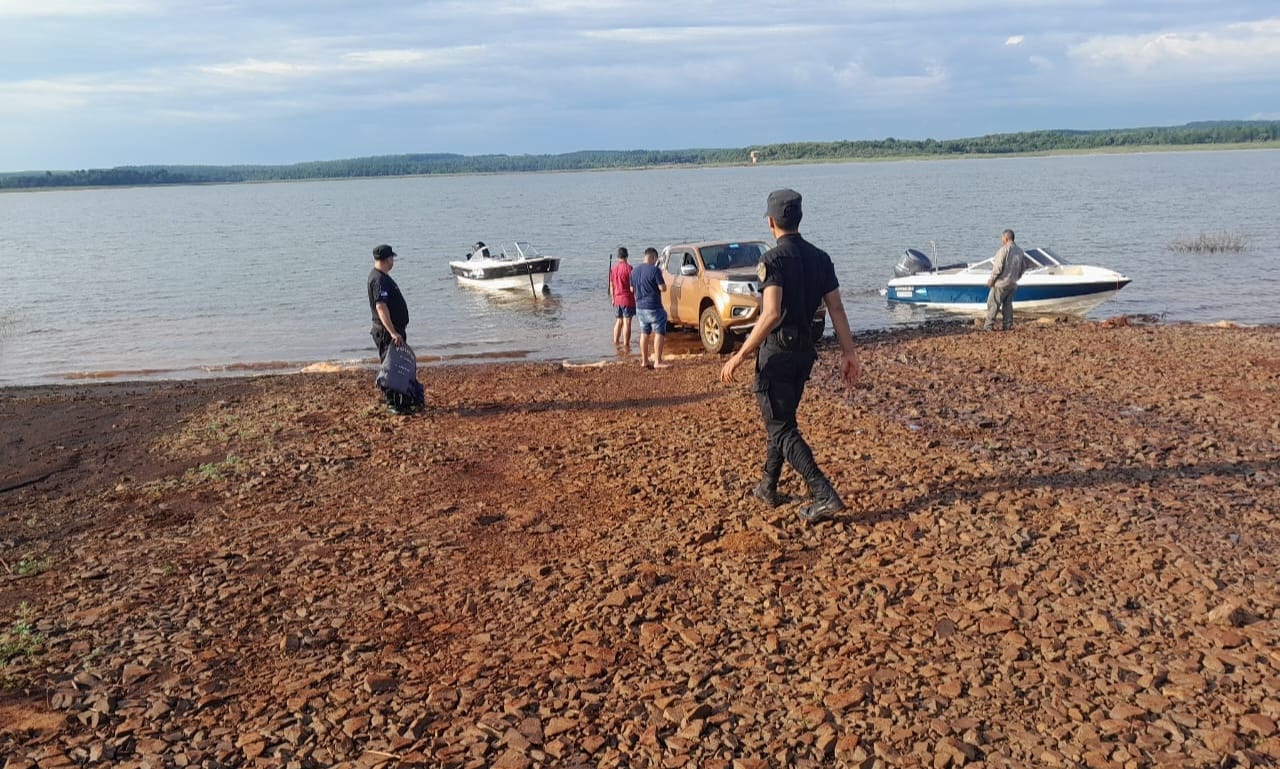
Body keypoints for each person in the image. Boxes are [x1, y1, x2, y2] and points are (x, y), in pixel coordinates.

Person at [720, 189, 862, 523]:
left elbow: (770, 314)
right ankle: (768, 486)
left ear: (770, 222)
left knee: (782, 428)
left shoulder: (772, 260)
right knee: (782, 422)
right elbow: (837, 308)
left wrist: (739, 354)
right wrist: (849, 353)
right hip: (804, 353)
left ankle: (824, 494)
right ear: (798, 218)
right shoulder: (820, 258)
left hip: (778, 355)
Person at [367, 243, 408, 361]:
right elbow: (381, 307)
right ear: (387, 259)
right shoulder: (379, 280)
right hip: (387, 334)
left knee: (397, 366)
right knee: (391, 366)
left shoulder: (382, 276)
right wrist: (393, 333)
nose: (393, 261)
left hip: (392, 331)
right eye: (392, 258)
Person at [631, 247, 669, 368]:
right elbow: (662, 288)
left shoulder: (634, 271)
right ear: (653, 257)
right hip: (653, 306)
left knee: (644, 332)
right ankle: (658, 361)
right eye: (655, 259)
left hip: (640, 306)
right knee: (659, 331)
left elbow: (632, 289)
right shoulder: (655, 270)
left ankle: (644, 361)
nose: (655, 262)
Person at [984, 229, 1027, 331]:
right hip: (1012, 283)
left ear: (1006, 238)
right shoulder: (1020, 251)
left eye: (1002, 238)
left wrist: (992, 280)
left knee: (993, 303)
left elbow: (998, 268)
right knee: (1008, 305)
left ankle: (988, 326)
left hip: (1001, 282)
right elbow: (1023, 267)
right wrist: (1016, 277)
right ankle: (1007, 326)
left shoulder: (1004, 250)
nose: (1001, 240)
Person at [609, 247, 635, 346]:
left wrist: (613, 298)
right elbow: (633, 285)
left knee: (618, 321)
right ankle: (626, 344)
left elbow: (612, 286)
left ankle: (615, 342)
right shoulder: (629, 268)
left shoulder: (614, 269)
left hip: (617, 299)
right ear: (627, 256)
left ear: (618, 257)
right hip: (627, 299)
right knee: (627, 322)